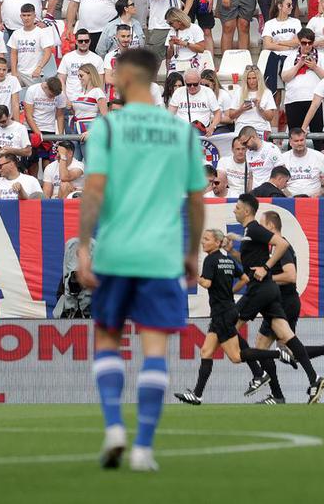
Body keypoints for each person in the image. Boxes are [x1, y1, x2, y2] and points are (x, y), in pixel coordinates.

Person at [76, 48, 206, 472]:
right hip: (162, 254)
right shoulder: (181, 132)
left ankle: (114, 426)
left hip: (115, 251)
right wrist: (191, 252)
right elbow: (195, 199)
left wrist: (83, 247)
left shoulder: (108, 129)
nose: (111, 79)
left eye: (115, 73)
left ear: (129, 76)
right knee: (154, 349)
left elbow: (94, 190)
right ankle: (144, 448)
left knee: (109, 338)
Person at [171, 228, 292, 407]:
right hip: (228, 310)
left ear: (217, 243)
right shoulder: (227, 260)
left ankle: (276, 354)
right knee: (206, 352)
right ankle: (197, 395)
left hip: (221, 314)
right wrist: (229, 292)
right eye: (203, 238)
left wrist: (194, 276)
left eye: (207, 239)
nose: (203, 242)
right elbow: (244, 278)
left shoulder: (210, 260)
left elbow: (207, 283)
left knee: (235, 357)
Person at [227, 194, 324, 403]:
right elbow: (251, 261)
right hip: (269, 290)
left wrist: (266, 268)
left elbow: (281, 244)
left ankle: (258, 374)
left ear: (246, 211)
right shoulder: (249, 233)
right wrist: (231, 251)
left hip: (259, 290)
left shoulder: (254, 228)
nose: (234, 210)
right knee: (285, 335)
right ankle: (314, 378)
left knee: (227, 326)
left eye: (237, 207)